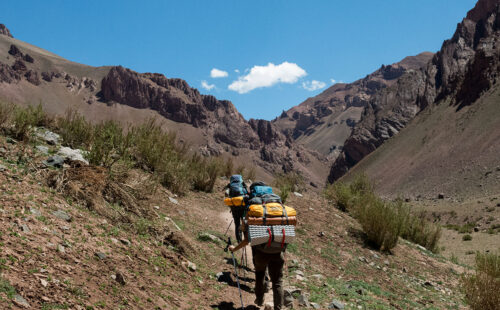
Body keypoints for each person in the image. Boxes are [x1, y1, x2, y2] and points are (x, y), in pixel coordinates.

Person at [229, 230, 285, 309]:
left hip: (261, 253)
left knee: (260, 275)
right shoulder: (280, 218)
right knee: (277, 281)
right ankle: (278, 308)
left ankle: (259, 300)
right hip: (278, 253)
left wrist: (234, 249)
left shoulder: (256, 219)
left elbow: (246, 240)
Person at [224, 175, 249, 243]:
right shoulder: (242, 185)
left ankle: (239, 241)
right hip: (243, 206)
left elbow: (226, 193)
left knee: (237, 223)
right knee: (244, 222)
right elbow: (247, 193)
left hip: (234, 207)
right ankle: (246, 239)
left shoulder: (230, 185)